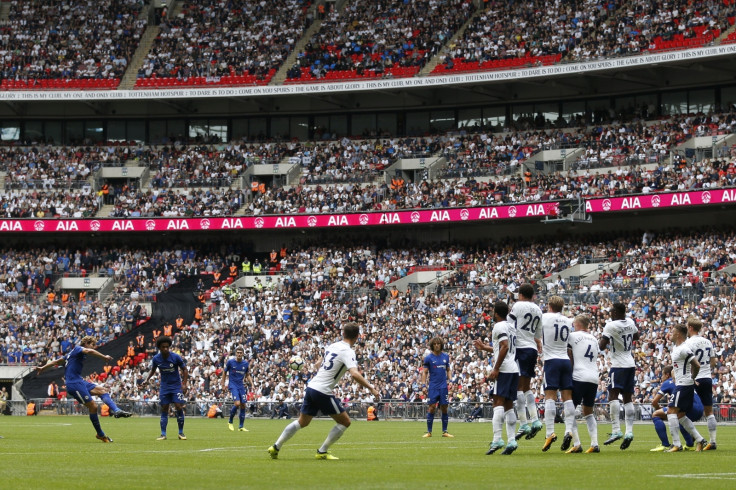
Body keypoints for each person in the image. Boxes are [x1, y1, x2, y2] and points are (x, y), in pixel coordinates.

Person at [267, 322, 380, 460]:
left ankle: (276, 446)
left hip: (311, 387)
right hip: (322, 391)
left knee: (302, 422)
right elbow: (354, 374)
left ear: (343, 334)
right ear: (357, 337)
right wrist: (372, 388)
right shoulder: (348, 351)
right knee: (345, 422)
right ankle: (322, 451)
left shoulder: (333, 345)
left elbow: (317, 364)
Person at [35, 336, 131, 443]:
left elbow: (56, 362)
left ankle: (116, 410)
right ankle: (100, 434)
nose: (93, 347)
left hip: (80, 381)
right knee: (93, 406)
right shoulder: (78, 349)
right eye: (92, 344)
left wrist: (42, 368)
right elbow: (89, 351)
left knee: (102, 390)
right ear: (86, 343)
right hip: (74, 384)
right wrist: (104, 357)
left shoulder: (71, 354)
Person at [473, 301, 519, 455]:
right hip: (514, 369)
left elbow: (505, 346)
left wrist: (496, 368)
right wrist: (485, 348)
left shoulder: (499, 326)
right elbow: (505, 347)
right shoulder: (511, 327)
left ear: (496, 313)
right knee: (508, 405)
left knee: (497, 402)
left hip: (505, 369)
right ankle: (512, 440)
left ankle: (497, 439)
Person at [599, 302, 639, 449]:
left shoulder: (611, 326)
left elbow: (601, 346)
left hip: (618, 365)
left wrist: (612, 339)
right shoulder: (630, 322)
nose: (610, 315)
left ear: (615, 312)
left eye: (611, 312)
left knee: (613, 396)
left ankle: (616, 430)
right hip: (630, 363)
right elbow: (636, 336)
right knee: (628, 399)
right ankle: (629, 432)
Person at [540, 296, 576, 452]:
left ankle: (549, 432)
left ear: (549, 306)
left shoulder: (544, 317)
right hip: (565, 359)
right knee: (568, 397)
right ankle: (568, 430)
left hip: (551, 360)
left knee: (550, 396)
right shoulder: (568, 321)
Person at [508, 283, 543, 440]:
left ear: (521, 294)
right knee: (526, 386)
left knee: (518, 387)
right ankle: (535, 420)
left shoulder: (518, 305)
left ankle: (523, 423)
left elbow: (509, 325)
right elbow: (537, 334)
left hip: (520, 348)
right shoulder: (538, 309)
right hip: (531, 348)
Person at [665, 324, 707, 452]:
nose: (670, 334)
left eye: (672, 332)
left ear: (678, 334)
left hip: (684, 385)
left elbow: (697, 365)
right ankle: (700, 440)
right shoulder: (677, 348)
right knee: (681, 415)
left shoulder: (684, 349)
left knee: (671, 411)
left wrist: (692, 377)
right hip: (683, 384)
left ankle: (676, 444)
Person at [139, 336, 189, 441]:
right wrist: (147, 379)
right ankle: (163, 434)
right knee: (164, 408)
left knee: (178, 406)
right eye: (163, 347)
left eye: (167, 347)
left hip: (176, 386)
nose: (166, 349)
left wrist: (184, 383)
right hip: (164, 387)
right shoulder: (156, 359)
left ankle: (181, 432)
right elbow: (153, 370)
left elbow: (184, 369)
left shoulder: (176, 357)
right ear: (159, 348)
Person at [567, 314, 601, 453]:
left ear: (578, 324)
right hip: (593, 377)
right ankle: (594, 444)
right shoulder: (594, 339)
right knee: (588, 411)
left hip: (578, 376)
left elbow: (570, 357)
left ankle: (577, 444)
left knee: (568, 411)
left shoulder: (573, 336)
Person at [649, 365, 703, 451]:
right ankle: (690, 444)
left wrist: (658, 407)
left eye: (662, 375)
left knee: (656, 414)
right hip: (699, 408)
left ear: (667, 375)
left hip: (690, 407)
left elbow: (654, 401)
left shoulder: (668, 382)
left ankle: (666, 445)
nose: (661, 377)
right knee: (679, 417)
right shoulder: (684, 380)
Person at [685, 316, 717, 450]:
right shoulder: (707, 342)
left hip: (694, 378)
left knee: (683, 410)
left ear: (691, 328)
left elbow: (688, 362)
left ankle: (695, 437)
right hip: (707, 378)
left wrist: (692, 376)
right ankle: (713, 441)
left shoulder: (688, 343)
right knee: (709, 411)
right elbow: (714, 361)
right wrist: (706, 369)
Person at [420, 336, 453, 438]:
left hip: (443, 386)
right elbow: (424, 372)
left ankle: (445, 431)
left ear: (441, 345)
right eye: (435, 344)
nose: (437, 345)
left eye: (438, 343)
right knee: (432, 407)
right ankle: (429, 432)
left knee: (444, 408)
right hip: (433, 386)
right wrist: (423, 385)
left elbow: (448, 369)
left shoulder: (445, 356)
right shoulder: (428, 358)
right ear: (432, 345)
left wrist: (450, 380)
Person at [221, 346, 252, 432]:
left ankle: (241, 426)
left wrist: (252, 384)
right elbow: (224, 372)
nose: (239, 354)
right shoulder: (230, 362)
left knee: (243, 405)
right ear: (235, 353)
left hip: (241, 385)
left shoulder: (245, 364)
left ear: (243, 354)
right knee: (237, 403)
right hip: (233, 385)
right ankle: (230, 421)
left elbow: (247, 374)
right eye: (237, 353)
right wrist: (223, 384)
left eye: (240, 353)